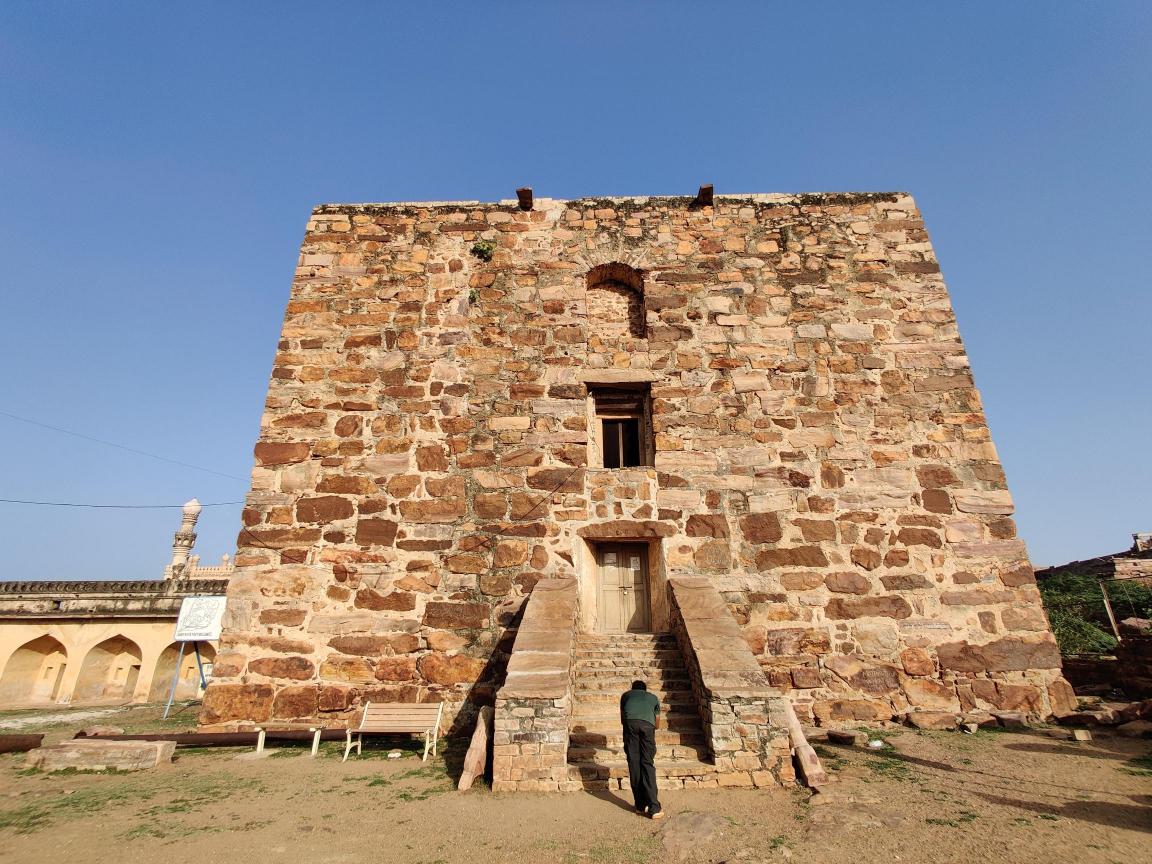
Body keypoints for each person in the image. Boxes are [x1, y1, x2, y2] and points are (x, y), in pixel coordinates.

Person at [619, 679, 662, 819]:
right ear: (645, 690)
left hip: (630, 725)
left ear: (632, 689)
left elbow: (623, 719)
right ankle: (654, 807)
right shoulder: (653, 698)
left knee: (634, 764)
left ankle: (639, 805)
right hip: (648, 726)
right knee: (647, 763)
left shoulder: (626, 696)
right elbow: (657, 723)